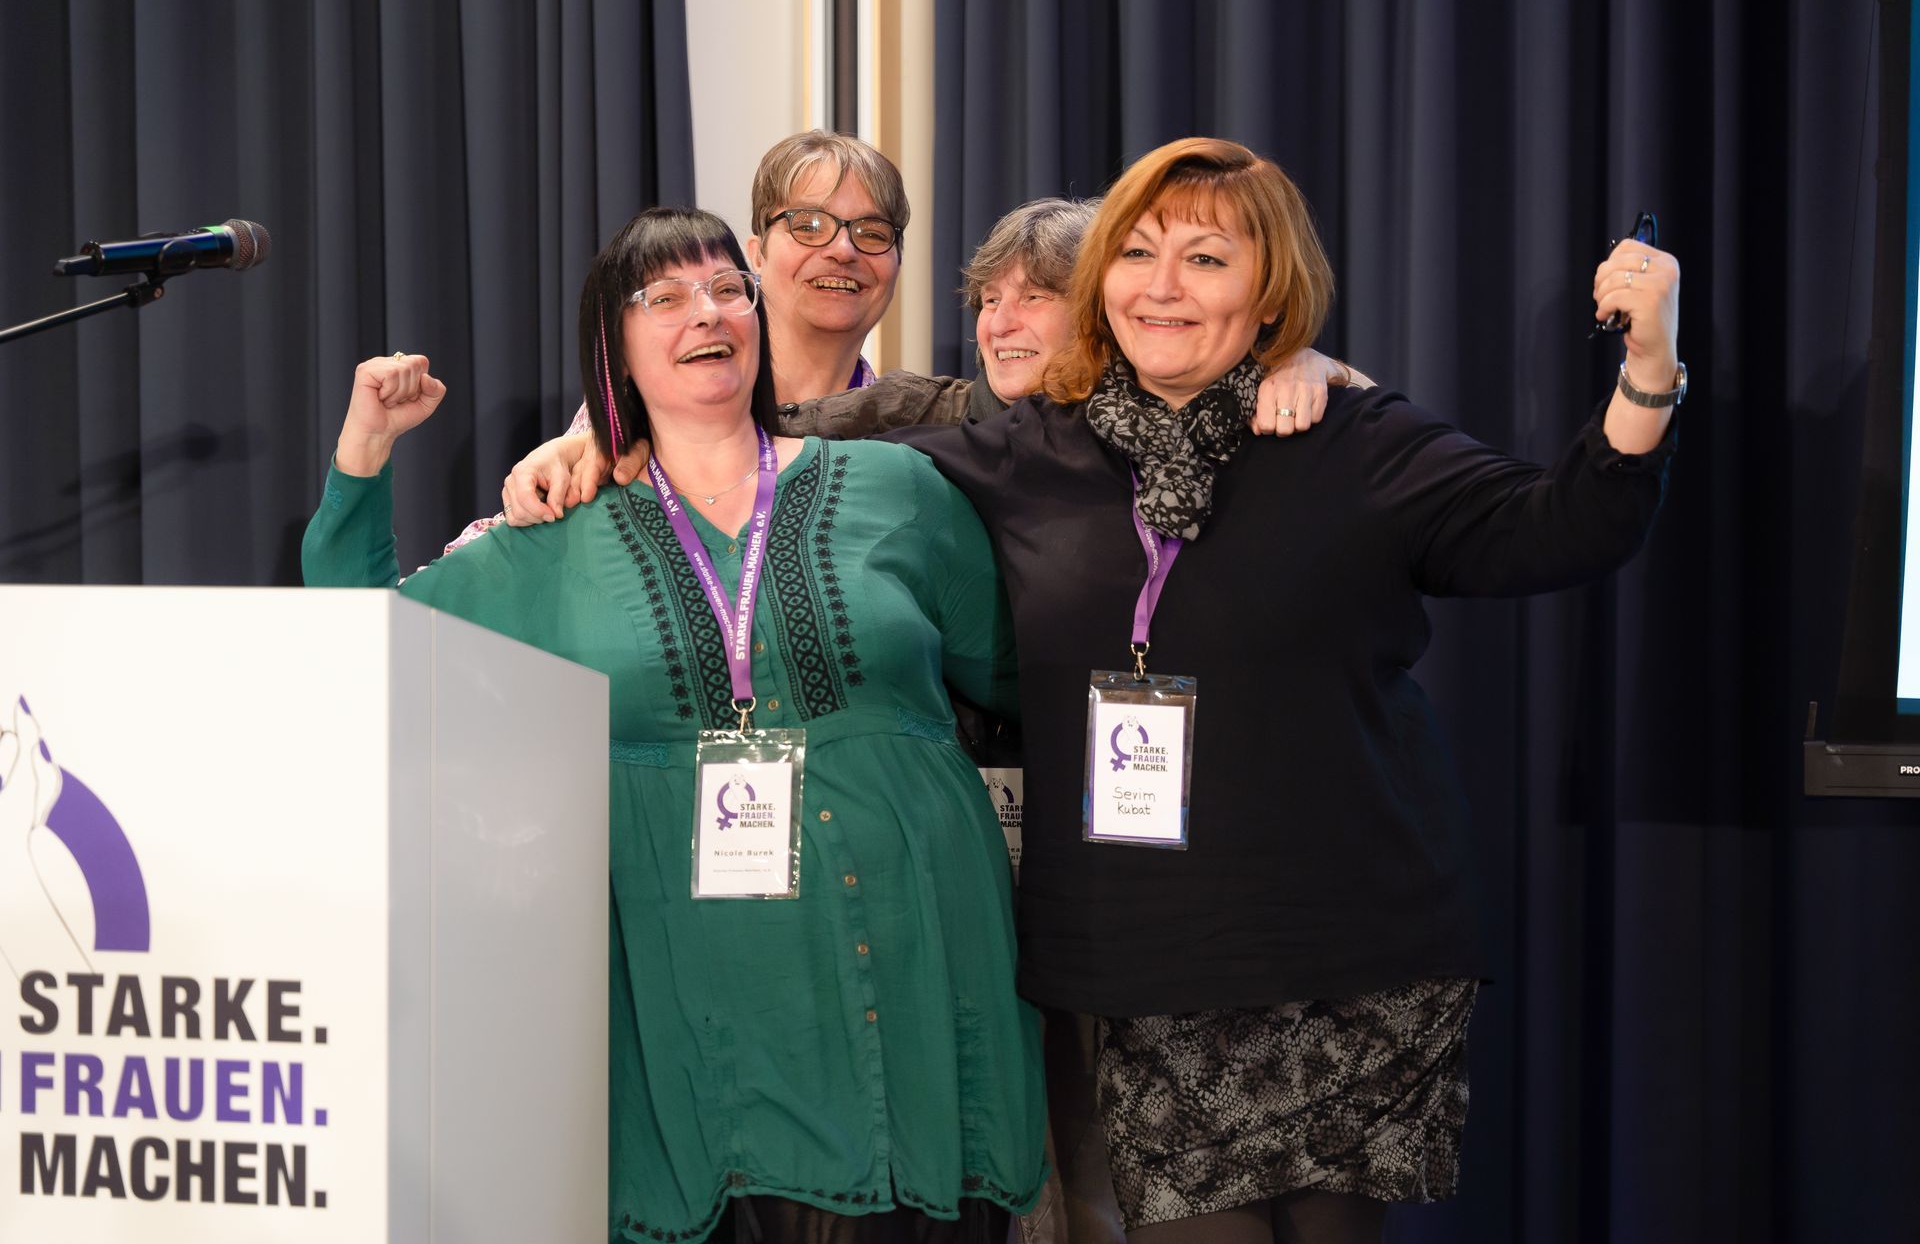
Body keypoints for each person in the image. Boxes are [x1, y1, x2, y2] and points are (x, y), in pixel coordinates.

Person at [895, 137, 1682, 1244]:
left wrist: (1649, 365)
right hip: (1152, 964)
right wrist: (606, 436)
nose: (1161, 286)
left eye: (1207, 259)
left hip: (1350, 956)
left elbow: (1565, 523)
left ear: (1271, 298)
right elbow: (789, 455)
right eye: (1135, 252)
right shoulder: (1024, 452)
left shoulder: (1353, 439)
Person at [303, 207, 1047, 1243]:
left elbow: (1028, 673)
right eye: (666, 295)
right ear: (611, 344)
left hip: (920, 958)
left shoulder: (900, 487)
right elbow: (364, 644)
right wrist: (364, 458)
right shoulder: (547, 539)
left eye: (727, 287)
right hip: (696, 1002)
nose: (707, 311)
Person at [485, 142, 1359, 531]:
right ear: (757, 249)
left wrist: (1299, 359)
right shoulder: (643, 421)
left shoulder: (925, 420)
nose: (843, 251)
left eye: (872, 233)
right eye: (810, 224)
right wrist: (604, 429)